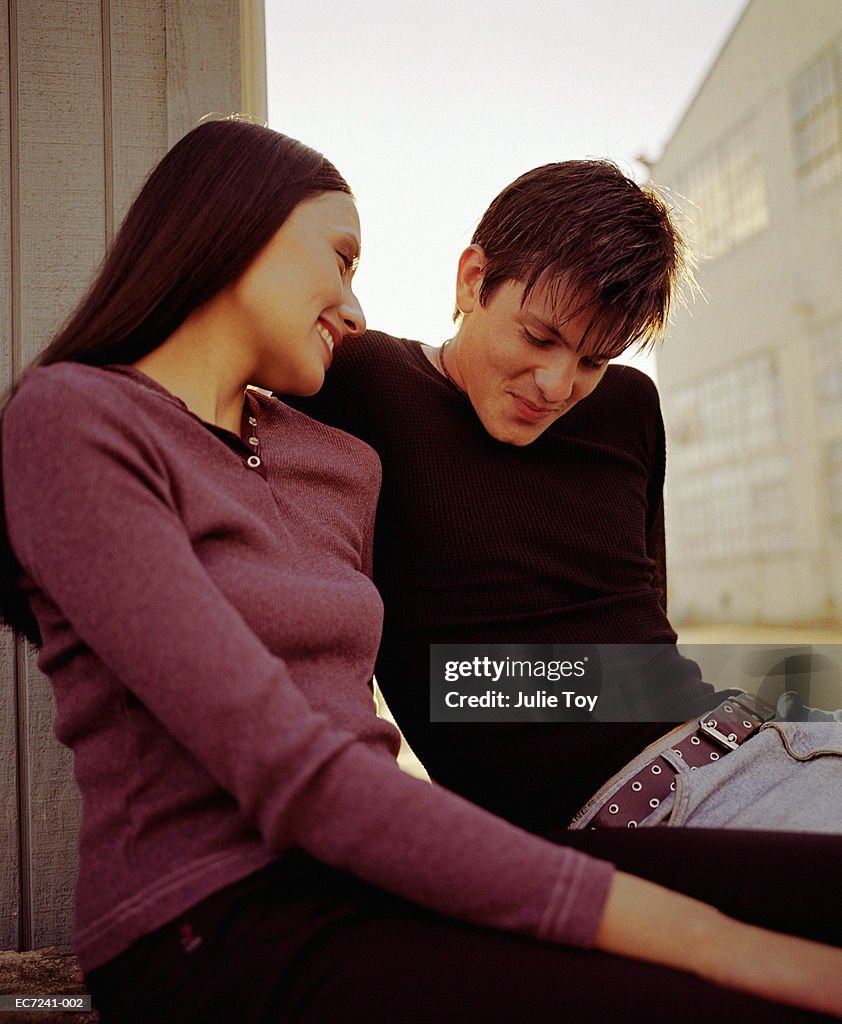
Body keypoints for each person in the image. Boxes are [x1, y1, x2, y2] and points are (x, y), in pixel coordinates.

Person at [1, 121, 841, 1024]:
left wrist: (709, 695)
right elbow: (367, 720)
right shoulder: (358, 387)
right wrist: (538, 691)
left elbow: (643, 641)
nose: (560, 385)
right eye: (541, 337)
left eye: (595, 359)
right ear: (472, 281)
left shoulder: (341, 459)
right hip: (569, 820)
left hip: (750, 744)